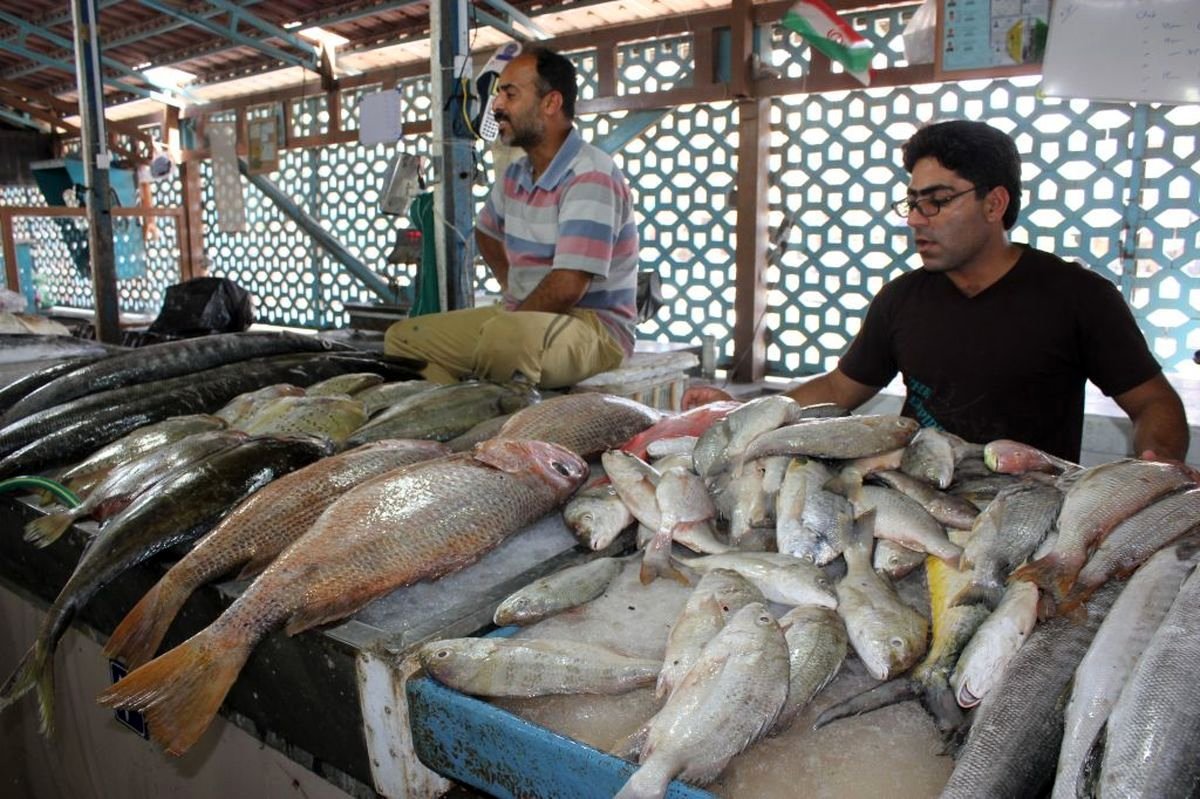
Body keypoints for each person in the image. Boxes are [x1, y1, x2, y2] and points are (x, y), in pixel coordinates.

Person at [686, 119, 1190, 464]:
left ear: (994, 204)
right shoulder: (901, 300)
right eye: (912, 202)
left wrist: (1157, 463)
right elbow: (840, 390)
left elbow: (1154, 404)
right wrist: (745, 412)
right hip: (920, 497)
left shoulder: (1078, 297)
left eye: (937, 201)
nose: (915, 220)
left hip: (1031, 507)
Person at [384, 46, 638, 389]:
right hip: (525, 317)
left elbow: (567, 286)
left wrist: (515, 314)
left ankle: (495, 412)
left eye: (510, 94)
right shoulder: (516, 174)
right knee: (404, 340)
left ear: (551, 103)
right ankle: (457, 412)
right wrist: (511, 287)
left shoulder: (589, 175)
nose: (497, 105)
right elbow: (486, 233)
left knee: (504, 336)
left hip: (594, 326)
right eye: (498, 94)